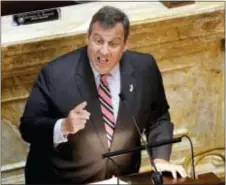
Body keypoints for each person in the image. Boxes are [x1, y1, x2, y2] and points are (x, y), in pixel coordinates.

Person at [19, 5, 187, 184]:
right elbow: (28, 127)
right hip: (67, 179)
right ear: (88, 38)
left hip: (122, 178)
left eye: (113, 43)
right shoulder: (55, 74)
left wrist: (160, 159)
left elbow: (158, 117)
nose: (104, 51)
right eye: (98, 41)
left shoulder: (144, 68)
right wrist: (64, 126)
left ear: (125, 45)